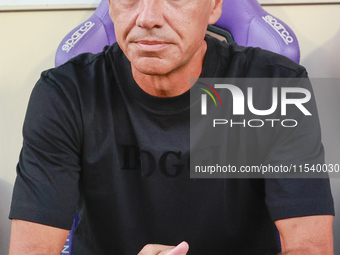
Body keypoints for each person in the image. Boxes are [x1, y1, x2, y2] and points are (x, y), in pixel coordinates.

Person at [9, 0, 334, 254]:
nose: (147, 17)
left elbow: (310, 247)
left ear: (215, 6)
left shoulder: (272, 86)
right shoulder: (66, 94)